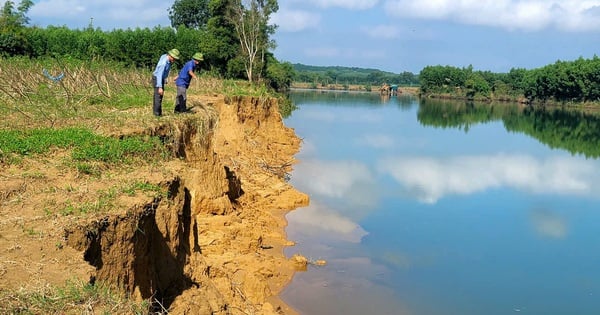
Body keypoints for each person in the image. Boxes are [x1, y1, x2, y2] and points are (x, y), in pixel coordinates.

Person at [152, 48, 180, 116]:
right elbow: (159, 74)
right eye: (174, 58)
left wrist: (165, 78)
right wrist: (160, 87)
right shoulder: (163, 63)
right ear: (170, 55)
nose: (174, 60)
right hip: (157, 78)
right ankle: (157, 115)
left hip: (160, 78)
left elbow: (164, 72)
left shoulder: (165, 57)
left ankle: (158, 113)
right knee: (158, 96)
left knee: (159, 96)